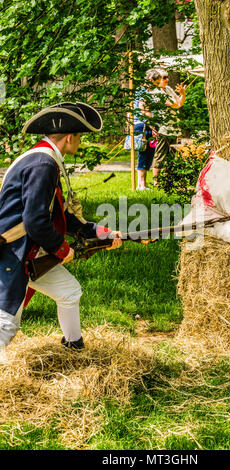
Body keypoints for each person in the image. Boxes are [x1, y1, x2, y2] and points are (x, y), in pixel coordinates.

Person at [0, 102, 122, 351]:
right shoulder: (43, 164)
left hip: (27, 248)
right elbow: (35, 220)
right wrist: (61, 249)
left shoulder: (44, 159)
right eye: (79, 138)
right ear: (69, 137)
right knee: (6, 322)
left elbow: (56, 213)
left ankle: (73, 348)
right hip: (14, 250)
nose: (80, 143)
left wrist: (100, 233)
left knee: (69, 291)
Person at [146, 68, 186, 185]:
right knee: (160, 155)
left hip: (173, 127)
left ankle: (168, 181)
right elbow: (175, 105)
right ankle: (156, 183)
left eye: (167, 77)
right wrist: (178, 101)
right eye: (164, 77)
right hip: (162, 128)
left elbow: (179, 103)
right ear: (157, 79)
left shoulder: (168, 89)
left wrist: (182, 94)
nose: (167, 79)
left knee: (171, 155)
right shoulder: (156, 92)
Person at [132, 86, 158, 190]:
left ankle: (143, 184)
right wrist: (152, 127)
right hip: (143, 126)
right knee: (144, 153)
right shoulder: (143, 93)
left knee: (148, 154)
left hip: (144, 125)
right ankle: (141, 184)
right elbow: (144, 111)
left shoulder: (140, 92)